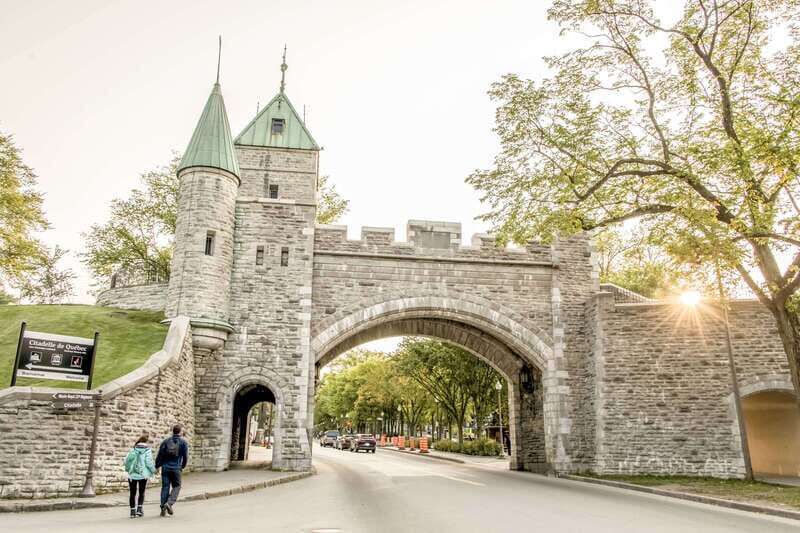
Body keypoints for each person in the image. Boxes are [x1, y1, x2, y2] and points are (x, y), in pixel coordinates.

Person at [155, 424, 189, 517]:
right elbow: (185, 456)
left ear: (173, 431)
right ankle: (169, 503)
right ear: (180, 432)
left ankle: (163, 507)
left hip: (165, 467)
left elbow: (160, 454)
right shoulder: (183, 443)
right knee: (177, 486)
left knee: (165, 487)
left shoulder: (165, 441)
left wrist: (157, 466)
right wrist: (182, 466)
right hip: (176, 467)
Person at [123, 432, 156, 518]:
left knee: (132, 493)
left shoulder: (133, 449)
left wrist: (128, 470)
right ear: (146, 441)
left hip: (132, 474)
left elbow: (126, 461)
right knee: (141, 492)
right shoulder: (147, 450)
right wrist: (153, 470)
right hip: (143, 475)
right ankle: (139, 510)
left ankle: (132, 512)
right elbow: (149, 463)